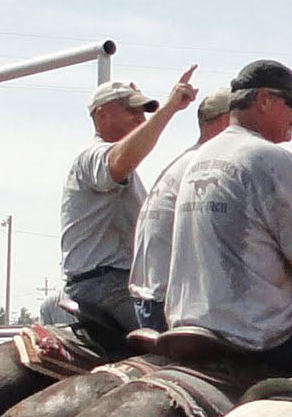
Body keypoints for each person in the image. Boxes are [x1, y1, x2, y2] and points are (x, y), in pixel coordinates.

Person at [165, 60, 292, 372]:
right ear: (265, 99)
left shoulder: (196, 159)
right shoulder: (271, 158)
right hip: (257, 334)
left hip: (189, 326)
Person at [60, 70, 198, 333]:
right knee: (182, 339)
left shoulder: (113, 165)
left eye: (143, 111)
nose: (140, 118)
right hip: (106, 286)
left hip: (110, 283)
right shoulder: (92, 157)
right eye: (131, 110)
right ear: (102, 115)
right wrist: (168, 110)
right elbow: (118, 163)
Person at [128, 88, 233, 331]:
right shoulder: (209, 165)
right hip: (173, 306)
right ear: (229, 120)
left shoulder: (182, 162)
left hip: (149, 302)